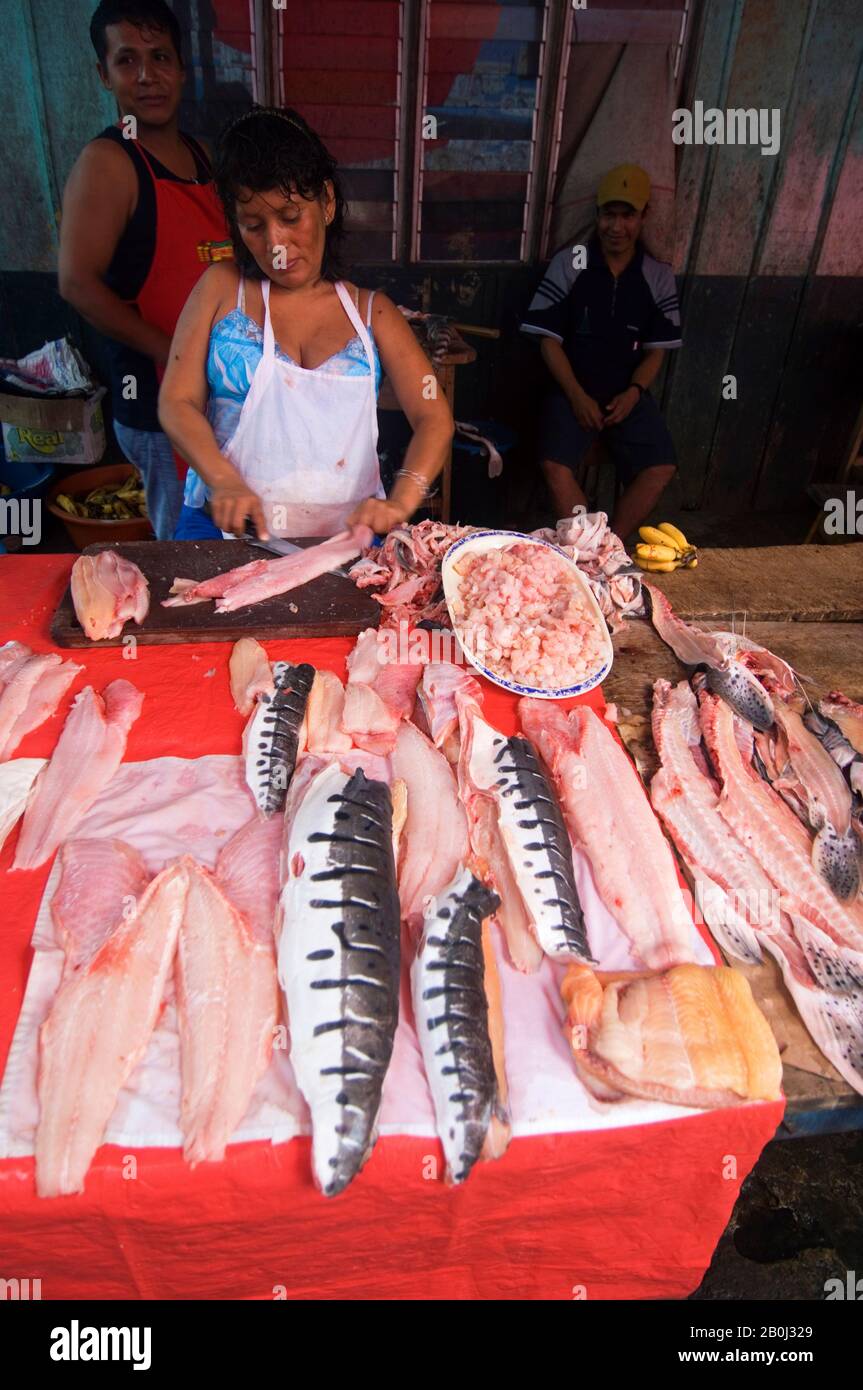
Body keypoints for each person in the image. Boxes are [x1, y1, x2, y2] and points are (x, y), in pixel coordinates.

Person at [159, 107, 453, 541]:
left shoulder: (374, 312)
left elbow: (433, 416)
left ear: (328, 202)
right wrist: (224, 479)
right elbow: (177, 402)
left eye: (291, 217)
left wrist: (400, 501)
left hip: (343, 541)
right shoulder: (222, 288)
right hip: (223, 532)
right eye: (254, 225)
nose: (276, 243)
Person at [58, 0, 230, 539]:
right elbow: (76, 283)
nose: (148, 76)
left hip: (217, 384)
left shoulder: (201, 157)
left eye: (160, 57)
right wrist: (171, 353)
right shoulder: (109, 163)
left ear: (181, 68)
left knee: (226, 529)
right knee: (180, 539)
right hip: (157, 393)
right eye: (128, 61)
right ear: (103, 74)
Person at [520, 164, 682, 540]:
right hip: (571, 388)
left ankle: (612, 545)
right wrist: (577, 396)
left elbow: (656, 352)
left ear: (644, 217)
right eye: (609, 214)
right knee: (554, 464)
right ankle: (586, 547)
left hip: (626, 394)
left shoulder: (657, 274)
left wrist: (634, 393)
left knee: (661, 466)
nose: (616, 226)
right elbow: (548, 341)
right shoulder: (570, 263)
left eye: (628, 215)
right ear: (597, 215)